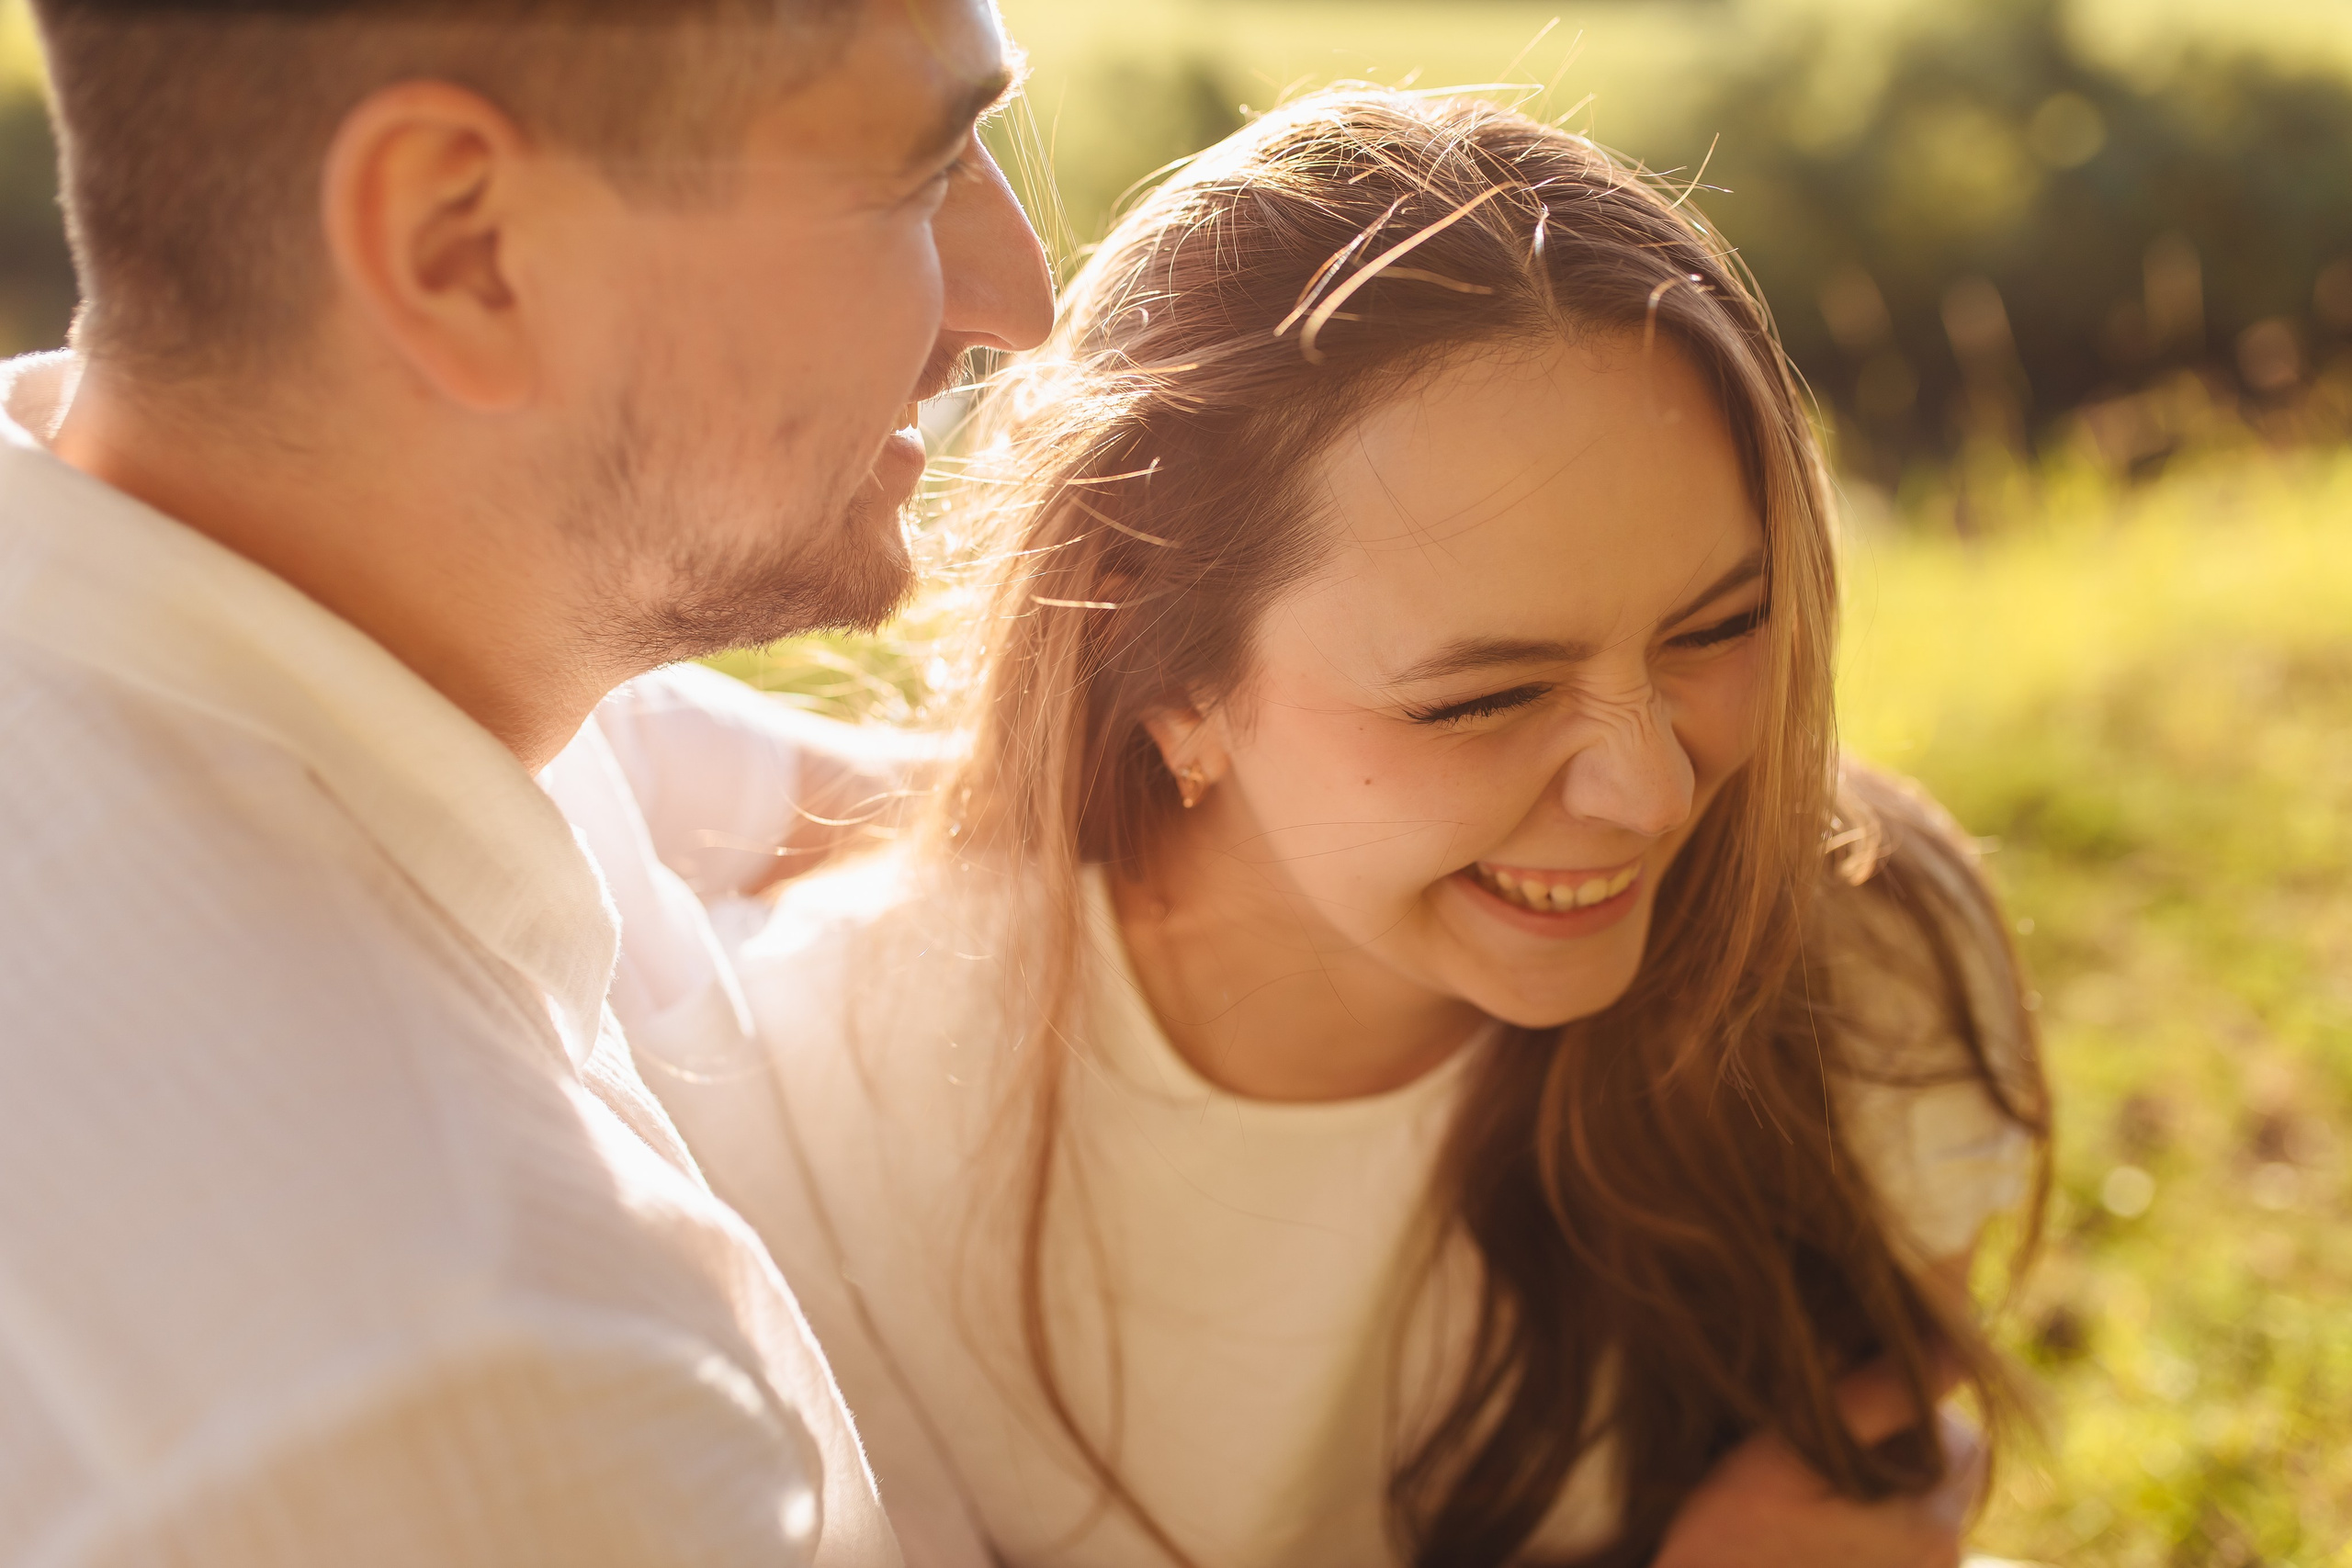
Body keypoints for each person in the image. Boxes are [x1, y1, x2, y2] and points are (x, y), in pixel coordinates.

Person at [639, 88, 2051, 1568]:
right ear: (1166, 672)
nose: (1649, 792)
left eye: (1721, 626)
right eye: (1485, 699)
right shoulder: (817, 1127)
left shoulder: (1855, 954)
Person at [0, 0, 1051, 1562]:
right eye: (917, 170)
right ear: (462, 248)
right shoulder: (495, 1385)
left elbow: (667, 758)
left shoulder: (253, 588)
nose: (1022, 299)